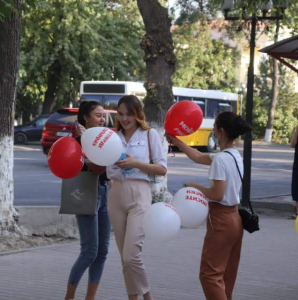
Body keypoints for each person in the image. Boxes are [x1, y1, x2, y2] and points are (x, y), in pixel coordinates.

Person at [166, 111, 252, 300]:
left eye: (214, 128)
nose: (212, 131)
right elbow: (197, 157)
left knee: (210, 275)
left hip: (221, 220)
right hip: (235, 220)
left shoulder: (221, 160)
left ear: (221, 131)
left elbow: (217, 194)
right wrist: (176, 140)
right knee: (226, 276)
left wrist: (195, 187)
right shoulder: (233, 156)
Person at [106, 95, 167, 300]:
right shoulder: (112, 137)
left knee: (131, 256)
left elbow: (161, 168)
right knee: (124, 258)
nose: (124, 118)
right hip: (115, 194)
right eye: (121, 114)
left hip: (140, 194)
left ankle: (147, 297)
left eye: (129, 114)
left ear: (137, 114)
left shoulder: (149, 135)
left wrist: (136, 164)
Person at [64, 101, 111, 300]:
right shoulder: (77, 141)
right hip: (85, 193)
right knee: (89, 251)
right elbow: (98, 168)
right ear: (86, 117)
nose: (102, 119)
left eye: (103, 116)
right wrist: (86, 139)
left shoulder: (106, 139)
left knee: (102, 252)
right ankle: (69, 297)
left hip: (105, 191)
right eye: (98, 115)